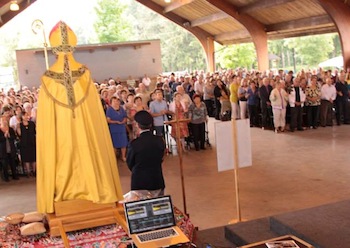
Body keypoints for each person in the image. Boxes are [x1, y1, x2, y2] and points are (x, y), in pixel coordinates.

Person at [36, 21, 123, 213]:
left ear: (54, 49)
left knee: (63, 155)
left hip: (62, 134)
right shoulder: (84, 74)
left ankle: (64, 194)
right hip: (86, 132)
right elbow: (96, 117)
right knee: (91, 148)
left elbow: (45, 126)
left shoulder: (48, 79)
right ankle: (98, 189)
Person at [126, 110, 166, 195]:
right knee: (159, 206)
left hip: (140, 182)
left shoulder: (134, 144)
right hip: (157, 179)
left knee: (142, 206)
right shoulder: (159, 140)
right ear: (151, 124)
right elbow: (162, 157)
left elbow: (130, 163)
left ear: (137, 125)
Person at [106, 97, 128, 162]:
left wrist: (124, 120)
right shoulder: (109, 110)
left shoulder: (121, 108)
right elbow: (108, 120)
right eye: (114, 101)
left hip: (122, 128)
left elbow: (125, 116)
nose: (116, 102)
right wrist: (116, 122)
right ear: (111, 103)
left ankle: (123, 156)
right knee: (114, 144)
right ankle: (114, 158)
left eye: (117, 101)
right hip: (114, 128)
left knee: (123, 143)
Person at [16, 111, 36, 177]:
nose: (27, 116)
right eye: (25, 115)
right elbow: (19, 134)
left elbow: (35, 132)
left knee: (33, 158)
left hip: (32, 143)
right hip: (24, 144)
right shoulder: (20, 125)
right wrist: (18, 126)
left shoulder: (32, 123)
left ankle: (34, 171)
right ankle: (28, 172)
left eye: (27, 115)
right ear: (21, 116)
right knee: (26, 158)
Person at [0, 116, 19, 182]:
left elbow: (14, 137)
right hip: (3, 150)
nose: (5, 122)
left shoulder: (10, 129)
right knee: (4, 164)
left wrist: (9, 136)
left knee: (13, 163)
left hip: (11, 149)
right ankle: (6, 177)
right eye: (3, 120)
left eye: (5, 120)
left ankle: (15, 175)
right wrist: (4, 137)